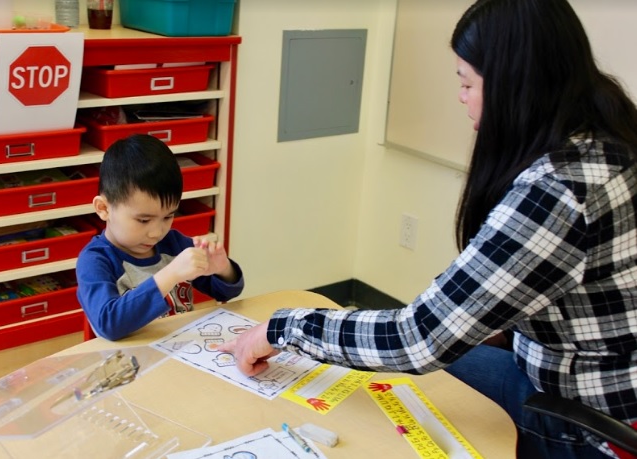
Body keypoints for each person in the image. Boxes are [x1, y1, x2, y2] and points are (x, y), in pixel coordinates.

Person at [218, 1, 637, 458]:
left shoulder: (559, 191)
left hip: (590, 426)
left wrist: (282, 328)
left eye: (467, 82)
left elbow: (418, 338)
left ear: (513, 85)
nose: (461, 97)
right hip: (577, 377)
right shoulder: (608, 138)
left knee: (394, 383)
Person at [77, 134, 244, 341]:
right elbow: (108, 324)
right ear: (103, 209)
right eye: (144, 220)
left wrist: (223, 269)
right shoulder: (95, 260)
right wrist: (171, 274)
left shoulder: (174, 244)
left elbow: (226, 292)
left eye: (168, 216)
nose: (157, 232)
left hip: (178, 353)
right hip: (127, 368)